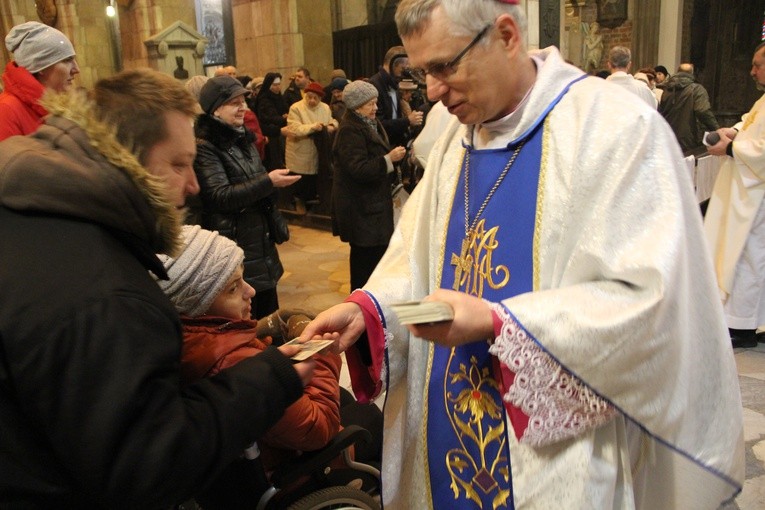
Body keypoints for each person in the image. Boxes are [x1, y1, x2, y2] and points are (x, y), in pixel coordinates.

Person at [301, 1, 744, 508]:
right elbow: (414, 261)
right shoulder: (454, 144)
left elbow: (652, 302)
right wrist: (370, 311)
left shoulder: (614, 130)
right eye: (423, 71)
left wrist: (500, 320)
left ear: (507, 35)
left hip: (552, 452)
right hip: (443, 429)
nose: (432, 90)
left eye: (445, 66)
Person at [0, 68, 314, 508]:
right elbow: (148, 465)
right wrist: (272, 378)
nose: (193, 185)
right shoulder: (103, 292)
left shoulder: (28, 208)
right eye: (178, 164)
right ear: (127, 157)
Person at [156, 225, 341, 474]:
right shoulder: (233, 362)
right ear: (197, 305)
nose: (251, 291)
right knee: (370, 420)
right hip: (286, 470)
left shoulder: (181, 338)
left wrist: (267, 327)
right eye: (233, 288)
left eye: (243, 277)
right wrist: (321, 352)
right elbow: (318, 428)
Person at [193, 75, 299, 318]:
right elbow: (220, 196)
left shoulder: (243, 139)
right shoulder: (206, 146)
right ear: (215, 109)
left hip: (258, 241)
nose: (243, 107)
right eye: (234, 102)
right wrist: (268, 181)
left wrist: (270, 184)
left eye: (243, 101)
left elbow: (255, 181)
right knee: (250, 322)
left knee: (270, 319)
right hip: (236, 241)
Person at [704, 41, 765, 349]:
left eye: (757, 64)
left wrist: (729, 147)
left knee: (750, 257)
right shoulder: (762, 101)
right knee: (744, 255)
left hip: (758, 199)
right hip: (748, 192)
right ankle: (746, 321)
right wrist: (734, 133)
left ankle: (743, 325)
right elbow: (752, 132)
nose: (752, 70)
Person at [332, 80, 406, 291]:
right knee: (364, 267)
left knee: (376, 262)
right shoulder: (350, 129)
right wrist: (388, 159)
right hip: (361, 211)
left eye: (375, 103)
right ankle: (362, 312)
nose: (375, 108)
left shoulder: (367, 122)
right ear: (356, 105)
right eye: (370, 104)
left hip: (373, 207)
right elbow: (358, 169)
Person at [0, 21, 79, 141]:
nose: (76, 69)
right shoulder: (6, 112)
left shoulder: (63, 102)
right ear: (41, 67)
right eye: (67, 60)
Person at [285, 81, 338, 212]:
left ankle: (312, 205)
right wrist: (313, 127)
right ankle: (299, 203)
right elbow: (294, 128)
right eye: (309, 97)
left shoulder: (325, 108)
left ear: (320, 98)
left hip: (317, 152)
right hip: (299, 151)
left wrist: (332, 126)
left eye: (315, 98)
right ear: (305, 95)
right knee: (300, 180)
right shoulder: (296, 108)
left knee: (314, 180)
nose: (312, 101)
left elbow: (332, 121)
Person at [658, 62, 719, 154]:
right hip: (689, 137)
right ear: (692, 73)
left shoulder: (666, 89)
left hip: (668, 136)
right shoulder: (697, 89)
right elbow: (703, 111)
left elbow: (660, 113)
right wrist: (717, 129)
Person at [369, 46, 424, 147]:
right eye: (403, 68)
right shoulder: (374, 85)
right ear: (394, 64)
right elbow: (378, 124)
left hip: (395, 144)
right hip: (384, 145)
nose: (404, 73)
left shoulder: (393, 83)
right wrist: (407, 120)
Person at [255, 72, 290, 171]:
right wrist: (283, 118)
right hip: (271, 135)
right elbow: (268, 117)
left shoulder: (279, 97)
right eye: (275, 85)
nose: (277, 87)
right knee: (274, 164)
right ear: (269, 85)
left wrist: (285, 116)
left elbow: (286, 109)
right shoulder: (264, 99)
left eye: (279, 85)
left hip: (281, 133)